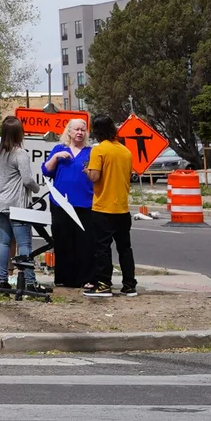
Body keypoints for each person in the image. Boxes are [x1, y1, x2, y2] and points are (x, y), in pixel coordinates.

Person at [0, 115, 43, 298]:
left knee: (3, 241)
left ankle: (3, 280)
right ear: (20, 133)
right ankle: (30, 281)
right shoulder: (20, 153)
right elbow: (27, 179)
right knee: (24, 243)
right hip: (16, 204)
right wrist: (37, 188)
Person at [84, 115, 138, 297]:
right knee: (124, 248)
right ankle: (129, 284)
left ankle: (104, 284)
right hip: (122, 207)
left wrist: (87, 170)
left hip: (103, 207)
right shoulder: (125, 151)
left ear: (97, 132)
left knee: (102, 248)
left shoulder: (99, 150)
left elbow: (95, 177)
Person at [42, 118, 95, 288]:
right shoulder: (59, 149)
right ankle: (63, 278)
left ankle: (84, 278)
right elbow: (46, 171)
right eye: (76, 129)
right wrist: (56, 157)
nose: (80, 132)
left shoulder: (90, 152)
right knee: (62, 240)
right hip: (60, 204)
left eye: (83, 130)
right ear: (69, 132)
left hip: (84, 203)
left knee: (84, 242)